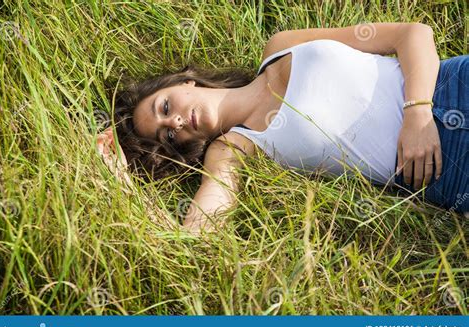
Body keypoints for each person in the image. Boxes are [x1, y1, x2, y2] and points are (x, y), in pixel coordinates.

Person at [96, 22, 468, 234]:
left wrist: (417, 112)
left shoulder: (281, 47)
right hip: (448, 172)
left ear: (184, 82)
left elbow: (412, 34)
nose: (175, 122)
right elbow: (197, 233)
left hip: (449, 86)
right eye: (169, 137)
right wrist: (121, 186)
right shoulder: (231, 149)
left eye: (164, 108)